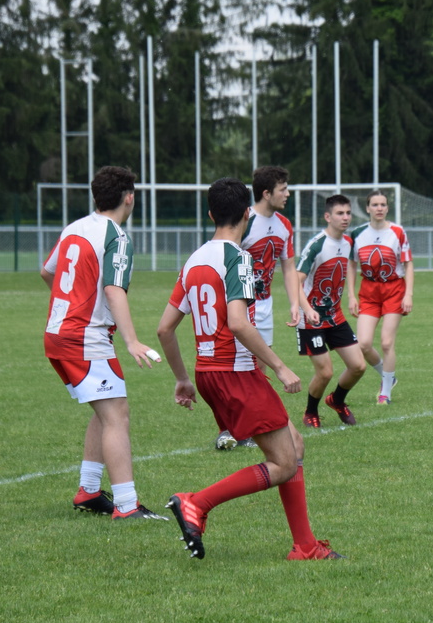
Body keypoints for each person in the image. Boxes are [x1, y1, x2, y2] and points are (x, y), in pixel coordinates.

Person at [157, 177, 342, 560]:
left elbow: (164, 329)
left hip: (209, 372)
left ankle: (305, 545)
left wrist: (182, 379)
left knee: (294, 445)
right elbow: (238, 323)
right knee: (284, 463)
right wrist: (280, 367)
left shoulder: (193, 260)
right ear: (246, 214)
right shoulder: (237, 258)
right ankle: (196, 503)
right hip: (234, 372)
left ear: (211, 215)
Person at [41, 165, 168, 520]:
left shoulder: (74, 227)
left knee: (104, 409)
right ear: (129, 197)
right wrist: (132, 340)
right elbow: (113, 290)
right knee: (116, 415)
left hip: (58, 333)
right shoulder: (116, 236)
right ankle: (127, 506)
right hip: (85, 337)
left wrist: (69, 305)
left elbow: (47, 272)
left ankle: (89, 491)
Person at [213, 165, 300, 450]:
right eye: (283, 189)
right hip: (238, 305)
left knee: (258, 369)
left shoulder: (285, 225)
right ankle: (228, 430)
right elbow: (224, 255)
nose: (287, 194)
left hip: (264, 305)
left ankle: (247, 429)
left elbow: (288, 267)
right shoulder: (245, 221)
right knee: (235, 368)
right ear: (266, 193)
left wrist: (295, 304)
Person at [295, 194, 368, 428]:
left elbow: (347, 269)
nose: (345, 217)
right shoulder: (317, 245)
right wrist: (307, 309)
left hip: (335, 316)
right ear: (328, 217)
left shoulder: (347, 243)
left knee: (358, 366)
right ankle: (310, 411)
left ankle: (336, 400)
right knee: (325, 372)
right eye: (340, 213)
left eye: (348, 213)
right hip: (312, 320)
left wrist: (351, 296)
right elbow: (296, 281)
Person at [346, 190, 414, 405]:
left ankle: (385, 392)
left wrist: (408, 294)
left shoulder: (397, 232)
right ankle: (389, 377)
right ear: (367, 208)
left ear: (387, 208)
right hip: (369, 291)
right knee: (364, 344)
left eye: (383, 204)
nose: (379, 208)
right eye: (375, 205)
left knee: (386, 342)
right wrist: (351, 295)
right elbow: (351, 264)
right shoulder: (357, 234)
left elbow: (408, 264)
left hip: (394, 290)